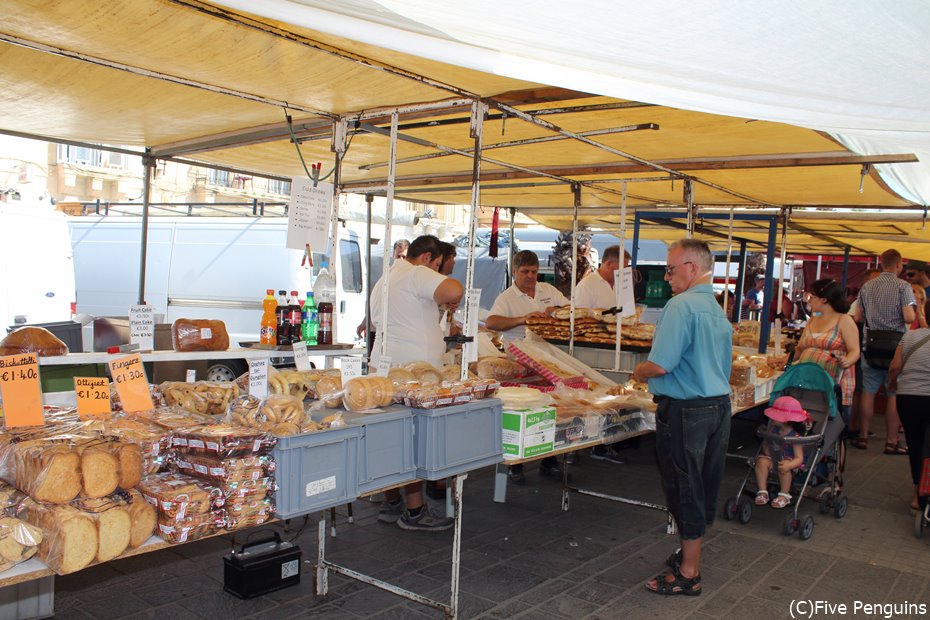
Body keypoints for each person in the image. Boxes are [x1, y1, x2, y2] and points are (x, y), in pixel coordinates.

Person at [633, 239, 732, 597]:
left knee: (684, 486)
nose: (667, 276)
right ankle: (689, 555)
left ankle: (689, 572)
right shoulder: (715, 308)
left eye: (671, 269)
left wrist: (638, 371)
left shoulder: (681, 306)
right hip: (717, 405)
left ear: (692, 267)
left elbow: (660, 363)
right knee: (703, 483)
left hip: (688, 409)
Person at [371, 235, 464, 531]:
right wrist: (446, 290)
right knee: (412, 443)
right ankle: (414, 512)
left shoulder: (387, 277)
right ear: (427, 258)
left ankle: (391, 501)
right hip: (411, 375)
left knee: (389, 439)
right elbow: (455, 288)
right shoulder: (415, 272)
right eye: (437, 265)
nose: (437, 272)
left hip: (385, 368)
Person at [487, 250, 568, 481]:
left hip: (549, 359)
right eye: (525, 272)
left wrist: (556, 311)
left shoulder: (548, 290)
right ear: (514, 272)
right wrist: (523, 319)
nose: (531, 276)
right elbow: (492, 321)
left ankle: (549, 460)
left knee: (550, 407)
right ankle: (515, 464)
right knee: (522, 409)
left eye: (534, 271)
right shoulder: (506, 297)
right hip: (519, 362)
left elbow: (569, 308)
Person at [852, 249, 915, 454]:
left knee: (868, 392)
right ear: (899, 264)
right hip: (895, 347)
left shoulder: (868, 286)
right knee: (893, 393)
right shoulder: (903, 286)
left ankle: (862, 437)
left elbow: (858, 318)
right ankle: (891, 440)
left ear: (881, 263)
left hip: (869, 346)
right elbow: (908, 317)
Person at [795, 279, 860, 424]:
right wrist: (786, 361)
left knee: (832, 428)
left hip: (833, 383)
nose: (809, 300)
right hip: (807, 383)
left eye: (812, 297)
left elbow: (855, 350)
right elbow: (799, 348)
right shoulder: (812, 319)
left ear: (824, 300)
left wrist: (847, 360)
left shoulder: (844, 320)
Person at [887, 316, 930, 511]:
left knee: (915, 445)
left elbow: (895, 366)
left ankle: (916, 493)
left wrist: (893, 383)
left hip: (909, 397)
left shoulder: (910, 336)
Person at [753, 396, 810, 509]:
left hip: (789, 462)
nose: (771, 418)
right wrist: (766, 444)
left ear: (786, 419)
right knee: (761, 462)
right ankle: (762, 492)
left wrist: (790, 464)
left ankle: (784, 495)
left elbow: (799, 458)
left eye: (775, 415)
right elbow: (767, 450)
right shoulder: (773, 431)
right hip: (773, 459)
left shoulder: (795, 436)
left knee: (784, 467)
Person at [574, 245, 629, 309]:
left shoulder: (621, 283)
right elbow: (579, 316)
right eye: (622, 268)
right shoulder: (586, 286)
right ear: (608, 264)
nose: (624, 271)